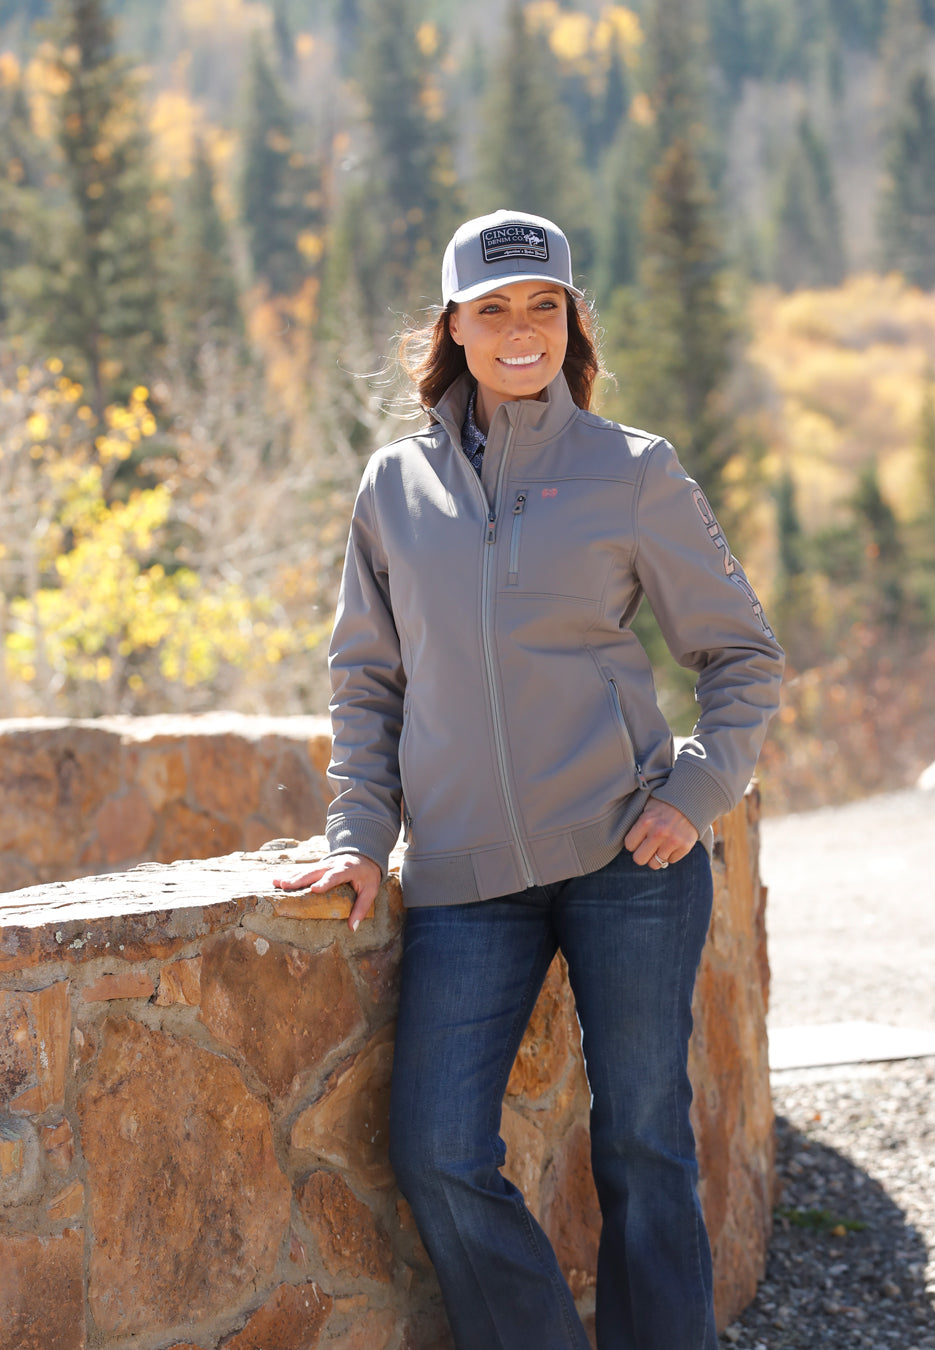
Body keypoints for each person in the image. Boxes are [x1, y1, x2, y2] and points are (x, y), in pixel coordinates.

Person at [275, 208, 784, 1350]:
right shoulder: (393, 488)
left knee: (645, 1148)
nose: (520, 332)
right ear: (453, 327)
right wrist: (359, 831)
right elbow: (367, 682)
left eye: (542, 307)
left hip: (627, 859)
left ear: (571, 321)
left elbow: (742, 657)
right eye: (493, 310)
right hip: (465, 875)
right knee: (440, 1153)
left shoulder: (631, 471)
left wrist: (694, 791)